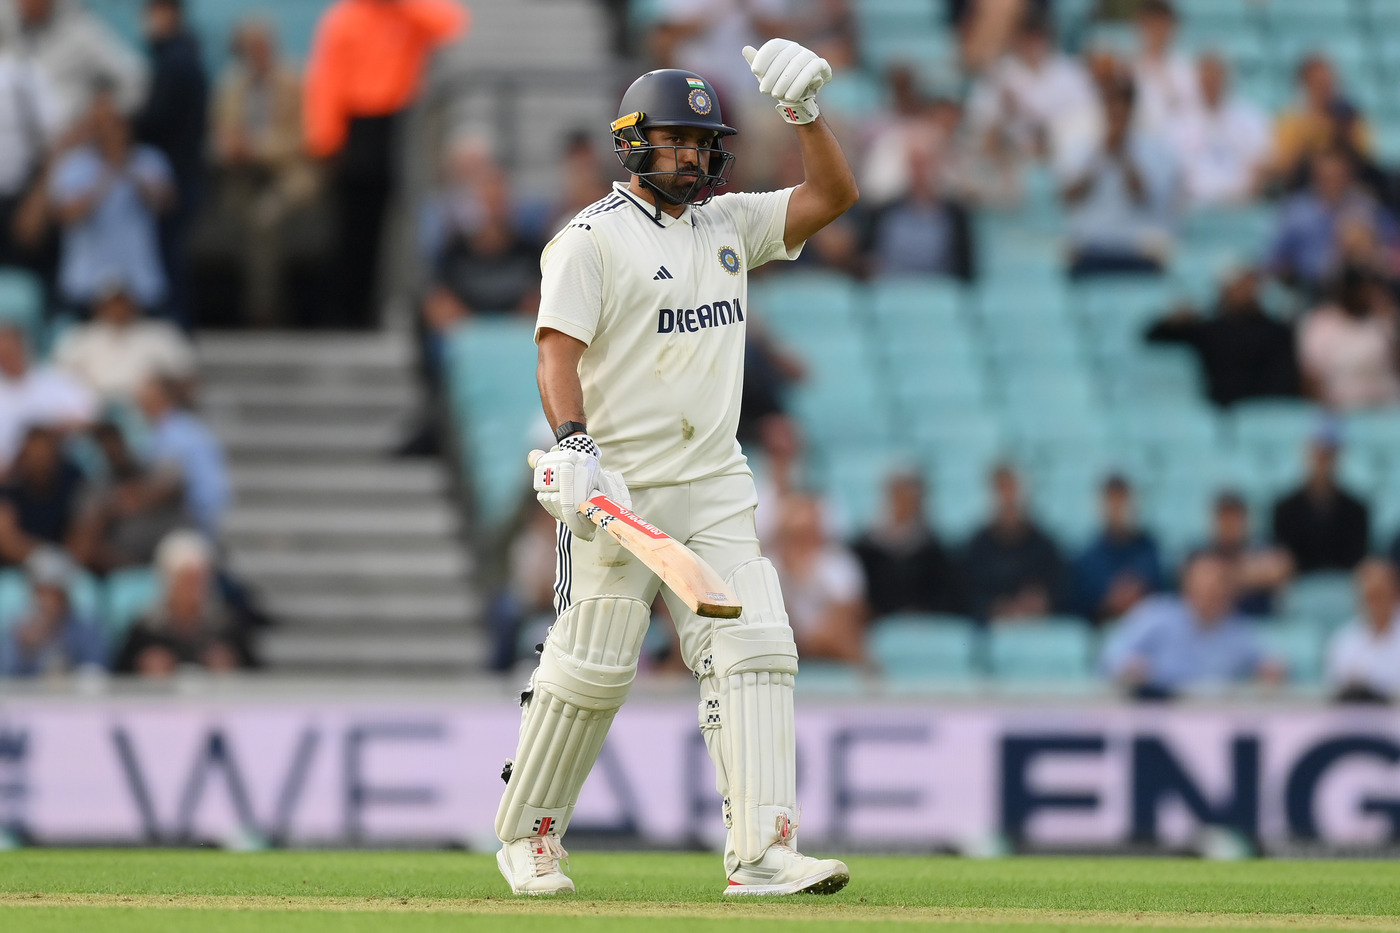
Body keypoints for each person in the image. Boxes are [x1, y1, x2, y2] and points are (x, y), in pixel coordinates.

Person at [496, 42, 858, 896]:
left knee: (757, 643)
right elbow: (557, 354)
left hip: (717, 479)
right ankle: (531, 836)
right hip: (620, 489)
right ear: (633, 143)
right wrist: (576, 444)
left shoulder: (728, 224)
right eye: (675, 140)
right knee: (594, 664)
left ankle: (763, 852)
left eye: (703, 142)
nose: (692, 155)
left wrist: (806, 118)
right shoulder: (588, 241)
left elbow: (833, 196)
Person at [303, 0, 467, 327]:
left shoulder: (405, 13)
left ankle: (379, 310)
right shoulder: (344, 18)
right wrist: (325, 140)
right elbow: (327, 80)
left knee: (394, 227)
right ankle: (348, 313)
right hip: (357, 129)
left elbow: (451, 23)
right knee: (352, 226)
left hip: (398, 126)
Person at [208, 17, 320, 326]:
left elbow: (303, 138)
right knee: (243, 218)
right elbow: (222, 133)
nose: (255, 54)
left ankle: (263, 308)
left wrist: (255, 147)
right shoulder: (231, 87)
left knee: (264, 218)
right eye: (248, 49)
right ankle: (260, 306)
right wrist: (228, 147)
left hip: (290, 173)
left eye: (260, 47)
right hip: (243, 176)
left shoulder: (294, 82)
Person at [49, 87, 174, 311]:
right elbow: (68, 215)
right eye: (100, 125)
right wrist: (107, 173)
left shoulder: (149, 160)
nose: (108, 131)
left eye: (114, 123)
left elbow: (165, 204)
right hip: (86, 284)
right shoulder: (74, 165)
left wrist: (126, 166)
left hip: (139, 283)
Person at [1100, 551, 1283, 699]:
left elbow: (1270, 661)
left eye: (1218, 583)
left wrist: (1270, 670)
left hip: (1215, 720)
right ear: (1187, 584)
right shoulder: (1157, 615)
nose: (1211, 590)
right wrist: (1130, 667)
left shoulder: (1239, 629)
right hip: (1159, 716)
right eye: (1204, 583)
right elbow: (1112, 654)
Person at [133, 0, 208, 321]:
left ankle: (175, 329)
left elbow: (157, 121)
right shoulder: (180, 57)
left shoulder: (176, 62)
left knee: (170, 261)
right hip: (181, 175)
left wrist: (123, 125)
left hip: (175, 178)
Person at [1062, 77, 1178, 278]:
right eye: (1111, 108)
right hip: (1092, 247)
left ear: (1131, 111)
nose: (1116, 116)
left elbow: (1142, 197)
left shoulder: (1154, 150)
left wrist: (1124, 156)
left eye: (1121, 110)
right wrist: (1098, 157)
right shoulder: (1082, 149)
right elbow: (1069, 198)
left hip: (1137, 249)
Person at [965, 12, 1100, 177]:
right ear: (1016, 39)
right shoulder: (999, 74)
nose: (1033, 43)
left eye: (1038, 36)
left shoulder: (1071, 74)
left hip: (1059, 164)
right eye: (1027, 37)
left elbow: (1086, 123)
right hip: (1010, 165)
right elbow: (980, 129)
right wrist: (1005, 111)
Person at [1145, 266, 1300, 408]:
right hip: (1217, 407)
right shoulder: (1206, 328)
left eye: (1249, 283)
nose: (1245, 290)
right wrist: (1175, 321)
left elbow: (1284, 377)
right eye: (1238, 284)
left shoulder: (1277, 330)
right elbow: (1152, 336)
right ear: (1224, 289)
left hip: (1262, 410)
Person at [114, 529, 255, 676]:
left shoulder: (226, 628)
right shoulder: (146, 631)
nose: (195, 589)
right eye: (187, 581)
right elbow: (117, 678)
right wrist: (144, 669)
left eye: (201, 580)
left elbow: (258, 676)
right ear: (169, 581)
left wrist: (231, 667)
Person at [1268, 148, 1398, 298]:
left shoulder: (1365, 204)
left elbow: (1392, 241)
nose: (1334, 182)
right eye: (1327, 177)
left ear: (1349, 176)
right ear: (1315, 176)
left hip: (1360, 287)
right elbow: (1275, 260)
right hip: (1309, 290)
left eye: (1340, 176)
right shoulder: (1296, 211)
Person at [1, 0, 148, 132]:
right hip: (19, 147)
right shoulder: (14, 35)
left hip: (72, 146)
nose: (24, 3)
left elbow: (135, 79)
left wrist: (105, 113)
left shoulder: (81, 34)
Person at [68, 421, 186, 573]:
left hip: (170, 565)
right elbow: (80, 549)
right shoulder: (95, 488)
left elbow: (175, 483)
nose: (112, 450)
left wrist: (141, 496)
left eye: (115, 441)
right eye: (105, 444)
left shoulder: (154, 469)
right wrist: (108, 510)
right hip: (124, 573)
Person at [52, 279, 195, 403]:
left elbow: (187, 379)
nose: (118, 308)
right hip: (96, 415)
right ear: (99, 306)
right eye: (113, 303)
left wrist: (161, 395)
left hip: (147, 413)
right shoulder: (80, 336)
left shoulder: (160, 334)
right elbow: (57, 379)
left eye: (122, 302)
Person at [961, 463, 1066, 622]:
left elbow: (1060, 592)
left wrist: (1041, 602)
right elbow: (967, 595)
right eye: (1001, 489)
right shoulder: (977, 548)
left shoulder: (1045, 547)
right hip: (991, 633)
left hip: (1036, 632)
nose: (1008, 497)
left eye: (1012, 488)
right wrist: (995, 607)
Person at [851, 468, 962, 618]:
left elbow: (944, 593)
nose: (904, 500)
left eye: (909, 493)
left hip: (920, 625)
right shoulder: (866, 547)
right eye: (898, 493)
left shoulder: (931, 547)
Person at [770, 492, 866, 664]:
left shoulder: (838, 562)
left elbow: (849, 610)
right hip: (782, 642)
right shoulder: (768, 565)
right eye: (796, 535)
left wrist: (812, 638)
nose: (803, 542)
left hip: (830, 643)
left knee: (846, 635)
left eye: (808, 532)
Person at [1170, 54, 1270, 209]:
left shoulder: (1250, 117)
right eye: (1207, 77)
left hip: (1241, 205)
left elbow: (1266, 160)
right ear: (1198, 80)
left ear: (1226, 78)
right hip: (1195, 207)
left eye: (1216, 76)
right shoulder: (1179, 122)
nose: (1212, 82)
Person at [135, 373, 230, 538]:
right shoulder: (182, 428)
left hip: (191, 519)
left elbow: (168, 485)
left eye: (147, 398)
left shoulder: (175, 435)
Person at [1271, 422, 1370, 576]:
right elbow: (1284, 559)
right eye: (1319, 453)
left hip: (1344, 587)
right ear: (1308, 454)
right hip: (1299, 588)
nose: (1323, 461)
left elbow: (1357, 559)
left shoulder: (1357, 510)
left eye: (1328, 454)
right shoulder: (1285, 508)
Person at [1297, 265, 1400, 410]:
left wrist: (1389, 323)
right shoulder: (1321, 323)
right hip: (1341, 411)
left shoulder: (1382, 320)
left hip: (1386, 409)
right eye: (1361, 290)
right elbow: (1310, 378)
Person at [0, 324, 96, 470]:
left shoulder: (55, 378)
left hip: (61, 466)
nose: (7, 358)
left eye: (10, 351)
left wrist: (55, 429)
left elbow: (90, 417)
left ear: (23, 347)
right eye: (2, 354)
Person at [1271, 55, 1372, 192]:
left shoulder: (1350, 116)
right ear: (1306, 84)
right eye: (1318, 83)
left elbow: (1365, 156)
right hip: (1307, 185)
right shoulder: (1292, 120)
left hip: (1349, 183)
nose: (1325, 88)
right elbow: (1287, 167)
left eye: (1328, 82)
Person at [0, 545, 106, 677]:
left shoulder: (85, 627)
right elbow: (7, 673)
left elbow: (98, 668)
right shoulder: (19, 628)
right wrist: (25, 648)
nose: (49, 600)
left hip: (73, 696)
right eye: (43, 592)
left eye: (55, 592)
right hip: (30, 696)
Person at [1071, 475, 1164, 624]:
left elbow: (1157, 591)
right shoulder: (1088, 557)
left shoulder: (1149, 549)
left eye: (1121, 502)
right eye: (1112, 502)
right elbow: (1084, 602)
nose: (1117, 510)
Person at [0, 425, 88, 564]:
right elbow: (7, 539)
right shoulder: (10, 487)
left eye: (45, 455)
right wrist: (45, 558)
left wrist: (63, 560)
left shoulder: (73, 483)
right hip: (21, 567)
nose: (40, 461)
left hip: (69, 566)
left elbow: (84, 534)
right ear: (24, 457)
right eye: (34, 455)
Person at [1200, 491, 1292, 617]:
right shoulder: (1203, 552)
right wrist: (1250, 573)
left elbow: (1281, 570)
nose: (1229, 525)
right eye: (1224, 518)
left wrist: (1223, 577)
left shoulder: (1261, 546)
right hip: (1217, 627)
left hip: (1258, 623)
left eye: (1234, 518)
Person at [1326, 558, 1400, 703]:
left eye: (1380, 594)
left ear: (1395, 593)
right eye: (1370, 597)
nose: (1376, 605)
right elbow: (1336, 695)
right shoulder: (1343, 640)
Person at [1129, 0, 1201, 139]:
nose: (1157, 30)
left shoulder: (1186, 69)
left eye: (1162, 24)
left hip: (1179, 142)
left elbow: (1194, 114)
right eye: (1151, 24)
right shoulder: (1128, 69)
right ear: (1141, 26)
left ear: (1172, 27)